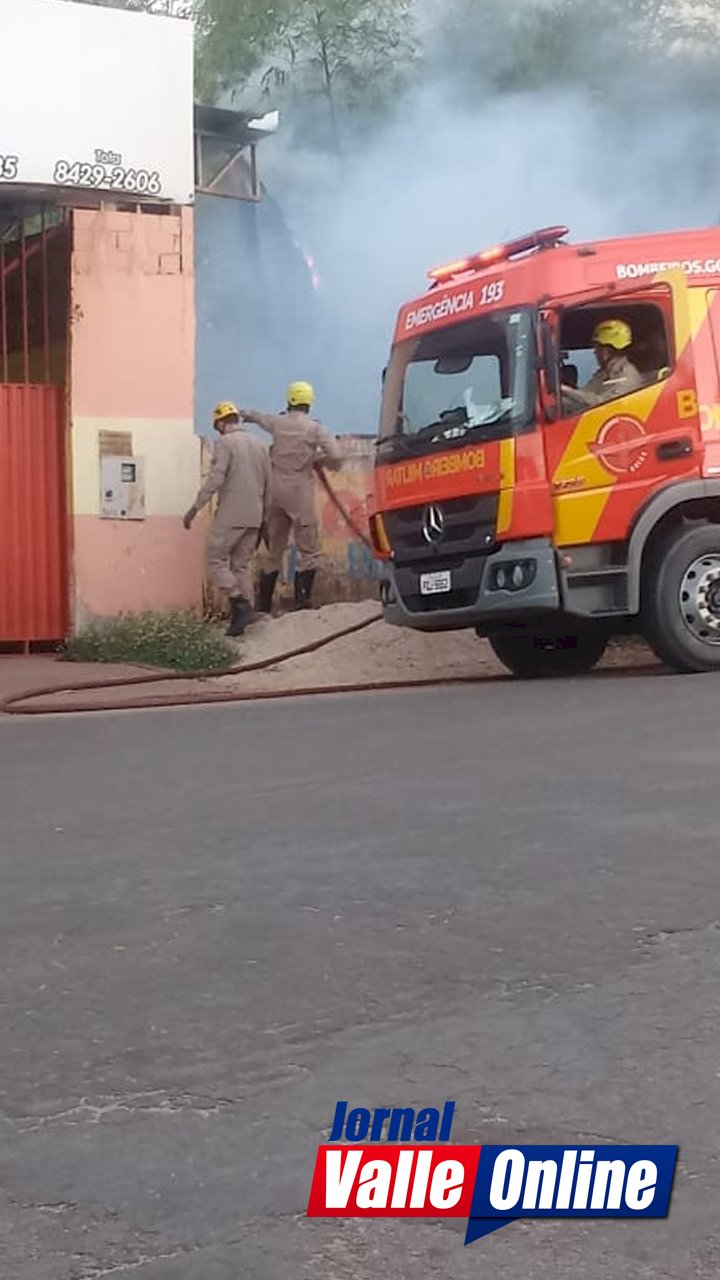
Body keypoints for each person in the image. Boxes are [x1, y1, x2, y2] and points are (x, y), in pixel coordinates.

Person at [242, 382, 342, 612]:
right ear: (309, 402)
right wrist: (318, 460)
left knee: (275, 550)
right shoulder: (315, 429)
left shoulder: (278, 422)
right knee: (309, 549)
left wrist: (242, 414)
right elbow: (336, 455)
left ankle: (263, 605)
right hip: (300, 493)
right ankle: (302, 601)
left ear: (289, 401)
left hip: (274, 493)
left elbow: (257, 416)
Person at [183, 400, 271, 637]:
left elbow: (216, 479)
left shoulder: (225, 443)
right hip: (255, 514)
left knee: (215, 561)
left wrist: (195, 508)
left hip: (231, 514)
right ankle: (246, 615)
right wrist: (265, 517)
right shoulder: (260, 444)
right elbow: (269, 483)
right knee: (240, 565)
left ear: (221, 423)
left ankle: (239, 603)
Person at [561, 319, 643, 412]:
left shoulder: (628, 376)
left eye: (598, 348)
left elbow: (602, 404)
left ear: (608, 350)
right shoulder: (603, 374)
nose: (595, 352)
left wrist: (566, 391)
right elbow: (581, 400)